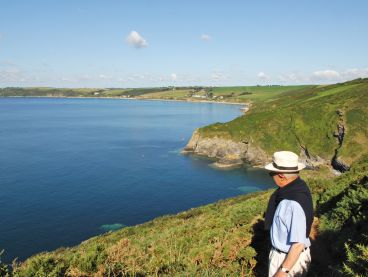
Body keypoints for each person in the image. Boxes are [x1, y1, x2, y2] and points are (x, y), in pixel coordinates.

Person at [264, 151, 313, 277]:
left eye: (271, 173)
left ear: (281, 176)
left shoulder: (292, 203)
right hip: (289, 256)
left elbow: (297, 244)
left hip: (288, 259)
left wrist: (283, 271)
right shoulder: (298, 188)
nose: (271, 176)